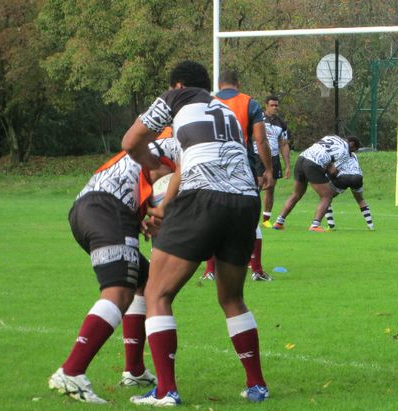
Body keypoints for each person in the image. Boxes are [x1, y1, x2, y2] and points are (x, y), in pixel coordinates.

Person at [122, 61, 270, 406]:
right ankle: (257, 385)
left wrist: (150, 164)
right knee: (232, 298)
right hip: (245, 201)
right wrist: (166, 206)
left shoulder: (177, 98)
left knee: (157, 293)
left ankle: (166, 391)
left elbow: (130, 141)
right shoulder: (227, 112)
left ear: (177, 86)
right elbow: (196, 160)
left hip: (204, 198)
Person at [48, 135, 177, 403]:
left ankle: (135, 370)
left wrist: (147, 213)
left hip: (91, 208)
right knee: (118, 291)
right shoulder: (177, 141)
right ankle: (72, 370)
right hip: (108, 208)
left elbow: (146, 183)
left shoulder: (161, 137)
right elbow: (161, 175)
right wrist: (169, 212)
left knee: (145, 281)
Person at [201, 70, 275, 282]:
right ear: (238, 84)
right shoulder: (249, 103)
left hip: (212, 166)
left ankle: (210, 270)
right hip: (241, 167)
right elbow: (260, 140)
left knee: (213, 216)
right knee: (250, 218)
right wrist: (267, 170)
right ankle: (257, 270)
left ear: (219, 84)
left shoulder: (207, 103)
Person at [272, 135, 356, 232]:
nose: (352, 153)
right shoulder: (345, 152)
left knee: (296, 194)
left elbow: (324, 152)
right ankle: (315, 225)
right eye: (353, 150)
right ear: (352, 145)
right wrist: (334, 176)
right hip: (313, 163)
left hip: (301, 158)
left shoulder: (331, 137)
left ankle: (279, 222)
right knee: (327, 196)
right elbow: (332, 171)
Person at [324, 144, 374, 231]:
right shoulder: (354, 155)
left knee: (325, 198)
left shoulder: (337, 154)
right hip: (358, 177)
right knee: (360, 200)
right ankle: (371, 225)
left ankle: (331, 226)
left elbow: (333, 170)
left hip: (344, 177)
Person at [259, 95, 292, 228]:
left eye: (276, 105)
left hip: (273, 157)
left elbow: (284, 144)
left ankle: (266, 220)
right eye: (272, 105)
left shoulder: (281, 124)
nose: (274, 108)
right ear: (266, 105)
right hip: (257, 156)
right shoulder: (258, 118)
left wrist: (288, 165)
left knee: (270, 188)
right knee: (258, 185)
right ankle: (249, 216)